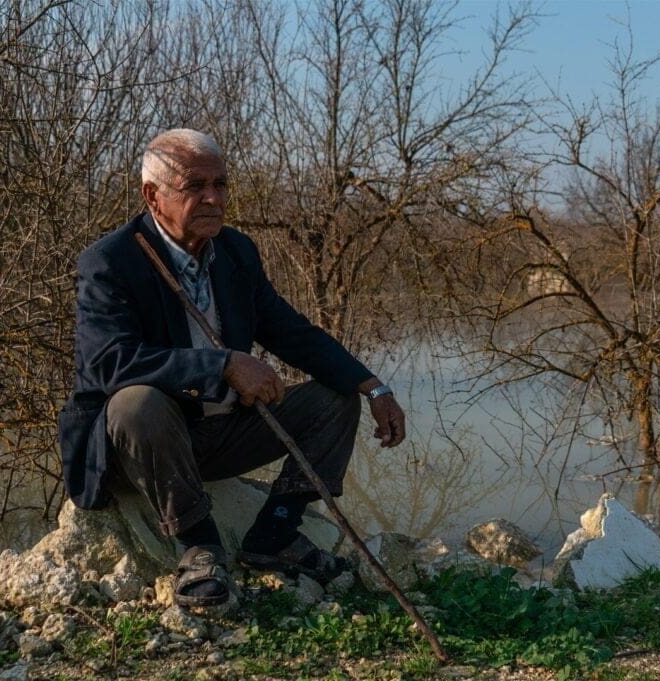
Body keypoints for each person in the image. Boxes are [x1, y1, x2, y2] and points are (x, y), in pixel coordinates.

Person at [57, 128, 406, 607]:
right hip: (140, 448)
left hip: (216, 437)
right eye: (195, 186)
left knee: (333, 398)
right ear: (152, 196)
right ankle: (198, 546)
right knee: (138, 402)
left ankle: (276, 534)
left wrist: (374, 387)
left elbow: (289, 330)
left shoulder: (235, 252)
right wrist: (222, 366)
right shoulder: (111, 261)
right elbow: (106, 363)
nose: (212, 198)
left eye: (220, 185)